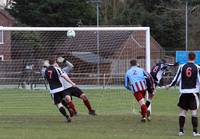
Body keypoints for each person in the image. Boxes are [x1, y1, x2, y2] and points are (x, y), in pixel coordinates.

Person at [166, 52, 200, 136]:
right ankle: (195, 132)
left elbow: (176, 79)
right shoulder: (197, 67)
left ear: (187, 57)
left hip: (183, 92)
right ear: (194, 58)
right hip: (193, 93)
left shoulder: (182, 67)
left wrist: (169, 86)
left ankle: (181, 131)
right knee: (194, 112)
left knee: (182, 112)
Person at [44, 57, 76, 122]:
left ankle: (67, 117)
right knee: (64, 100)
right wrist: (72, 83)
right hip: (61, 89)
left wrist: (45, 65)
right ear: (55, 62)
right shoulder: (57, 69)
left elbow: (45, 78)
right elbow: (64, 76)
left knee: (58, 104)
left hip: (53, 90)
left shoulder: (46, 71)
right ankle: (69, 108)